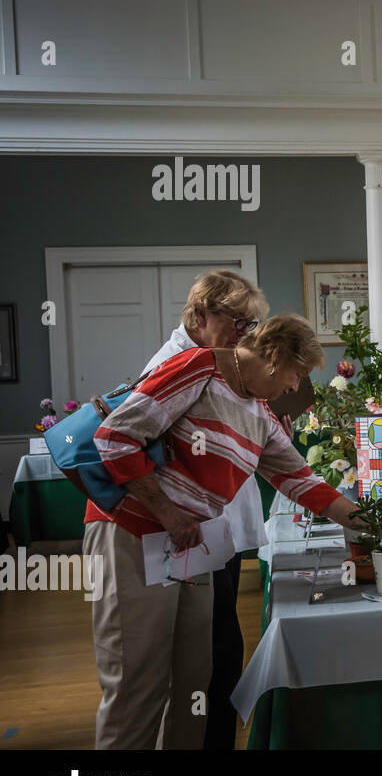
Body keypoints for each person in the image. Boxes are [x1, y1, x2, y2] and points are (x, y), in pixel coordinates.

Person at [83, 314, 361, 749]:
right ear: (274, 358)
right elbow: (114, 437)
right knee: (137, 685)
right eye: (297, 374)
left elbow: (305, 484)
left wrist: (381, 527)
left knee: (194, 682)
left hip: (194, 544)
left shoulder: (260, 415)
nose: (295, 388)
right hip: (134, 532)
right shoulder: (199, 366)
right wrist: (169, 515)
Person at [141, 269, 269, 751]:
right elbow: (128, 443)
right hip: (191, 530)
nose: (245, 332)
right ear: (199, 315)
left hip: (219, 529)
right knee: (205, 650)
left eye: (251, 323)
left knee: (221, 641)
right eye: (238, 321)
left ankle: (215, 740)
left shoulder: (219, 360)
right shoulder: (172, 364)